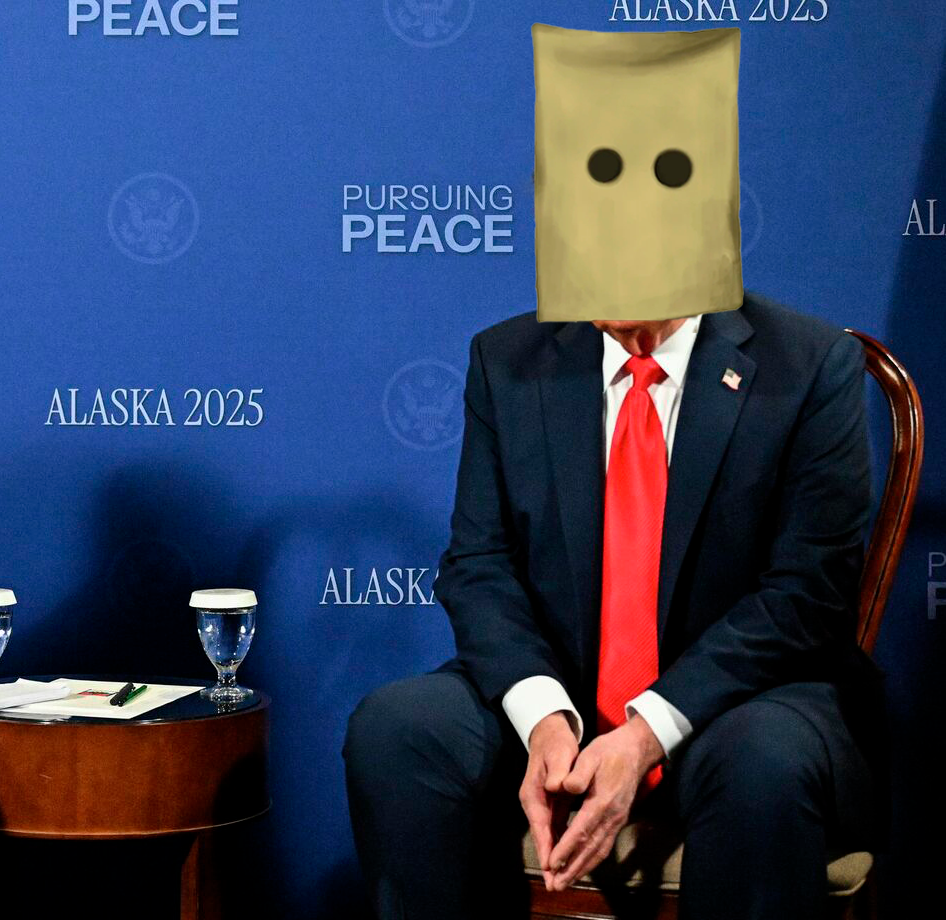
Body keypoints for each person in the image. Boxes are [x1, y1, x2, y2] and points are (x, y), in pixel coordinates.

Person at [343, 293, 880, 920]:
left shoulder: (810, 363)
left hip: (739, 701)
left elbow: (809, 592)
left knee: (763, 764)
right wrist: (544, 717)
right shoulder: (507, 358)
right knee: (399, 730)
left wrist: (647, 732)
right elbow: (479, 563)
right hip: (561, 691)